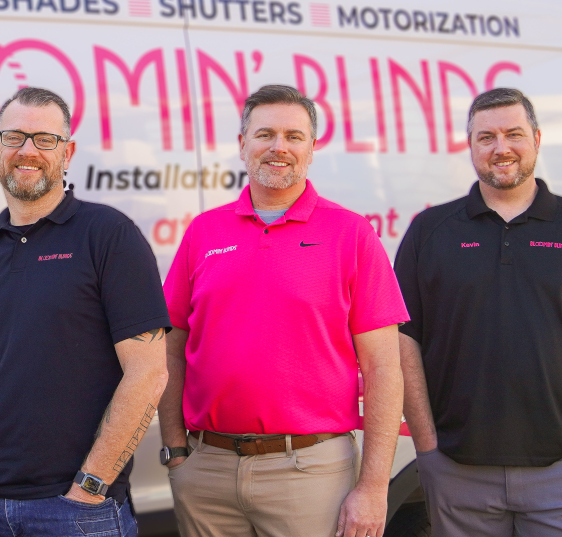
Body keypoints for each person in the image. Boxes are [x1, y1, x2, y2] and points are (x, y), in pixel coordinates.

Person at [395, 87, 562, 537]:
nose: (501, 148)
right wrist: (428, 445)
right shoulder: (430, 231)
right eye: (486, 137)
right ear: (470, 146)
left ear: (536, 139)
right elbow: (403, 342)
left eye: (514, 134)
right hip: (458, 474)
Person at [159, 84, 408, 537]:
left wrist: (374, 488)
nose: (279, 147)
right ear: (242, 145)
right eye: (265, 134)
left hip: (310, 472)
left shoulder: (351, 233)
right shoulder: (203, 232)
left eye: (294, 136)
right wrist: (176, 452)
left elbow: (384, 368)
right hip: (207, 471)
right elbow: (170, 349)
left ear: (312, 148)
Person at [0, 87, 171, 537]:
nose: (28, 151)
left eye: (45, 140)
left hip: (76, 510)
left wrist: (92, 485)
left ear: (67, 152)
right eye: (14, 137)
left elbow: (148, 372)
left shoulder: (109, 236)